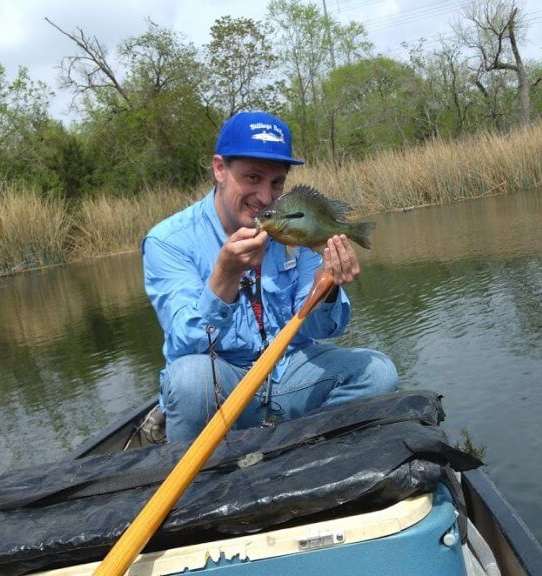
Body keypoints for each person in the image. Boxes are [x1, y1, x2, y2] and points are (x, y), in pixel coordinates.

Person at [142, 111, 398, 442]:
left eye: (276, 182)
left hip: (289, 375)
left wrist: (327, 287)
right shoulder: (169, 242)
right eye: (252, 178)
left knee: (377, 372)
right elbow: (186, 344)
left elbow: (322, 329)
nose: (265, 196)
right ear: (220, 169)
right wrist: (225, 277)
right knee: (189, 380)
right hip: (223, 388)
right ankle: (210, 481)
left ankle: (302, 453)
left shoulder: (294, 226)